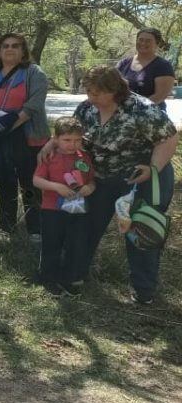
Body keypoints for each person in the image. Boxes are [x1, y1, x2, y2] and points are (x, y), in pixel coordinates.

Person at [40, 66, 177, 304]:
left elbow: (168, 138)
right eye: (88, 91)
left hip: (141, 178)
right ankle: (74, 278)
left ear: (114, 90)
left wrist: (153, 168)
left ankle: (144, 291)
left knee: (140, 232)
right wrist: (51, 145)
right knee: (85, 227)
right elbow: (71, 132)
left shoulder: (141, 109)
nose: (91, 97)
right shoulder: (86, 108)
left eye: (96, 93)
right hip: (100, 179)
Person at [0, 33, 50, 242]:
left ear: (23, 51)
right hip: (0, 138)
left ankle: (35, 228)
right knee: (6, 183)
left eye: (15, 46)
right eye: (5, 46)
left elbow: (34, 105)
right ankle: (6, 227)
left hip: (29, 138)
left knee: (30, 184)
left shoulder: (34, 73)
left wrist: (9, 126)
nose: (10, 49)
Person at [32, 117, 95, 296]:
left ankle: (68, 278)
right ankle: (48, 278)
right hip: (52, 210)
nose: (72, 144)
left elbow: (91, 180)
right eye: (67, 140)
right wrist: (57, 187)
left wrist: (89, 188)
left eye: (77, 140)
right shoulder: (49, 157)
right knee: (52, 244)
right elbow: (36, 180)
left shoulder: (84, 157)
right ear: (56, 139)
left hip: (78, 210)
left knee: (75, 244)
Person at [116, 27, 175, 111]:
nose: (143, 43)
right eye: (140, 39)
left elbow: (160, 95)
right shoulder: (123, 63)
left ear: (157, 44)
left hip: (151, 115)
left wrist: (135, 109)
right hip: (123, 112)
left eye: (148, 41)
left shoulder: (163, 66)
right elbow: (111, 86)